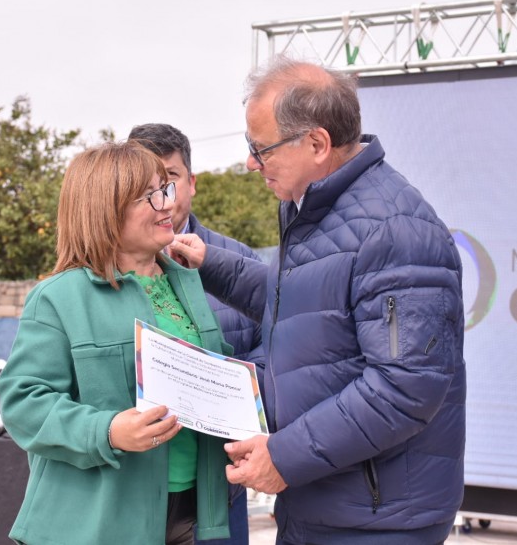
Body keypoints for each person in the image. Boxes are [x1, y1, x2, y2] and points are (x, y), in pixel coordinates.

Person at [169, 56, 466, 544]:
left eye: (260, 148)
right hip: (327, 500)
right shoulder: (321, 212)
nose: (250, 163)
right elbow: (307, 307)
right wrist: (210, 262)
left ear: (317, 144)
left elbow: (405, 387)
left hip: (375, 520)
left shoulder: (395, 231)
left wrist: (284, 459)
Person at [0, 142, 232, 544]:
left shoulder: (187, 281)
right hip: (96, 522)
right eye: (150, 196)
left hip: (188, 512)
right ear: (105, 210)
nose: (167, 204)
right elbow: (23, 404)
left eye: (165, 189)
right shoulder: (58, 297)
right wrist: (107, 431)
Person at [129, 123, 265, 545]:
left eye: (168, 178)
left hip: (218, 482)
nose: (160, 195)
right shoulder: (96, 276)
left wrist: (226, 397)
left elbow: (277, 349)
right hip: (130, 487)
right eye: (144, 183)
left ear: (192, 183)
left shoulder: (237, 262)